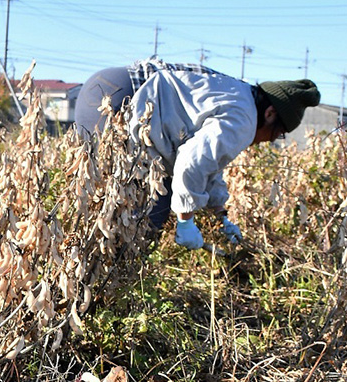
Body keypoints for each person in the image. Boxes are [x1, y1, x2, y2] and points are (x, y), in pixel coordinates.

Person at [74, 58, 320, 251]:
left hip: (108, 86)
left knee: (110, 204)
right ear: (270, 114)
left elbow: (209, 164)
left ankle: (95, 274)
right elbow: (192, 162)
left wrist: (221, 215)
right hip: (120, 101)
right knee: (142, 216)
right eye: (278, 134)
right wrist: (185, 221)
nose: (270, 141)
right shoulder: (244, 120)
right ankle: (104, 282)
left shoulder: (239, 95)